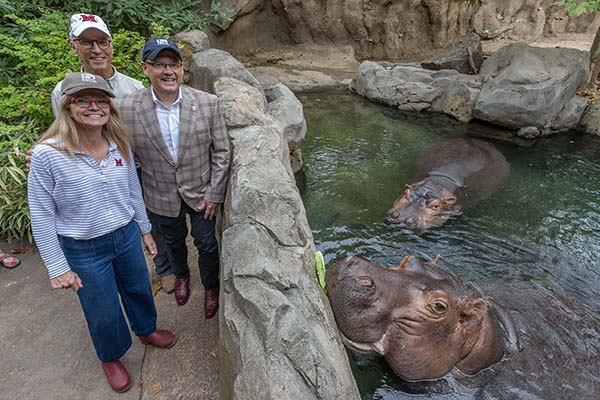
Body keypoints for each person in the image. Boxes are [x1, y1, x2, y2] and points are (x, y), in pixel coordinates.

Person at [28, 72, 176, 393]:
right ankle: (110, 355)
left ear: (110, 106)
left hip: (124, 235)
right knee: (102, 307)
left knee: (138, 287)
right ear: (68, 107)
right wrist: (57, 267)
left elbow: (133, 190)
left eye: (101, 100)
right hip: (83, 247)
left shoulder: (118, 143)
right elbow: (40, 213)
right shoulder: (47, 154)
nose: (94, 106)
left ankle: (146, 329)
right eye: (83, 100)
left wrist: (144, 230)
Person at [49, 13, 177, 293]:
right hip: (91, 171)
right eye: (87, 42)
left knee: (154, 218)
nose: (96, 49)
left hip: (138, 166)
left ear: (111, 45)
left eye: (102, 42)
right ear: (74, 46)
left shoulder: (133, 87)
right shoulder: (62, 92)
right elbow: (62, 134)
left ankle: (163, 266)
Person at [116, 38, 230, 319]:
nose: (168, 71)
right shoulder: (127, 108)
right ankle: (181, 277)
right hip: (159, 195)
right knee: (174, 243)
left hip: (202, 194)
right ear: (145, 68)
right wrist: (53, 149)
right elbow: (98, 139)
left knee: (206, 244)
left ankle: (211, 287)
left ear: (182, 69)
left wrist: (214, 193)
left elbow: (222, 151)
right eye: (160, 65)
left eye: (174, 64)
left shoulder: (207, 103)